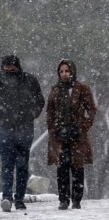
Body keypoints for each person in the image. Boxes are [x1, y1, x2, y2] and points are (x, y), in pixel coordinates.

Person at [0, 55, 45, 212]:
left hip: (23, 129)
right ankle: (7, 197)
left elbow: (39, 101)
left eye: (12, 65)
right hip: (6, 128)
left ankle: (18, 198)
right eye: (7, 66)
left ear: (17, 66)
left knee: (21, 165)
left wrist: (30, 115)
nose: (10, 68)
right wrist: (1, 114)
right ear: (3, 66)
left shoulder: (29, 80)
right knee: (8, 164)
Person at [46, 59, 96, 210]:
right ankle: (63, 200)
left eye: (67, 71)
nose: (64, 74)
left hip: (77, 135)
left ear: (72, 71)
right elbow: (50, 111)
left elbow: (92, 109)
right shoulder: (55, 90)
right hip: (60, 135)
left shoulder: (82, 88)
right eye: (61, 71)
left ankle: (76, 200)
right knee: (62, 168)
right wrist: (53, 128)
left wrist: (83, 126)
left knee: (77, 167)